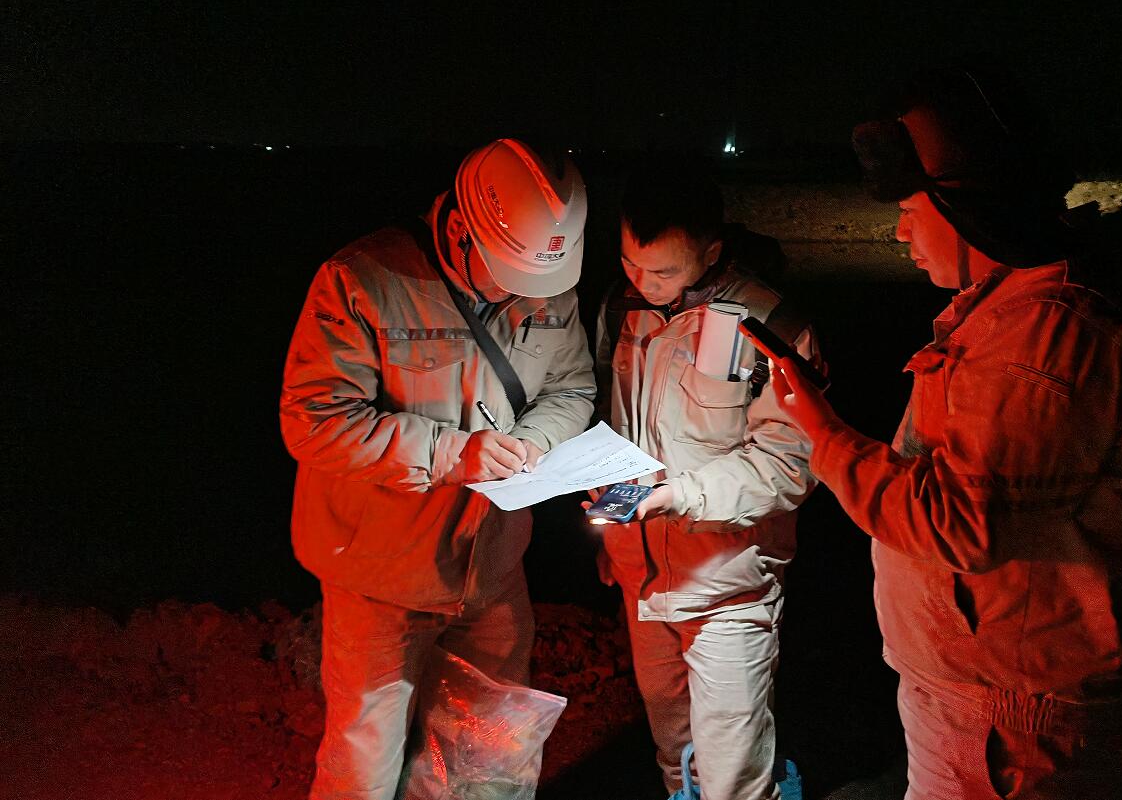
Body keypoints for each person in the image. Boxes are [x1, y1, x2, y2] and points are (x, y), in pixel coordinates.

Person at [754, 67, 1122, 799]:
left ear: (968, 205)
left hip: (1010, 721)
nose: (900, 230)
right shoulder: (1007, 309)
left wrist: (823, 431)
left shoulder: (1044, 338)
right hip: (980, 697)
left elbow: (960, 522)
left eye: (910, 208)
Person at [280, 139, 596, 800]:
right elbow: (314, 421)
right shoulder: (362, 281)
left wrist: (531, 443)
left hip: (492, 568)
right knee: (364, 766)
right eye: (507, 274)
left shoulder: (548, 282)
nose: (524, 293)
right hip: (381, 577)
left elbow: (571, 388)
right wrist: (454, 454)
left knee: (489, 760)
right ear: (459, 232)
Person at [595, 167, 820, 800]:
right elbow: (612, 422)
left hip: (729, 585)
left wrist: (680, 496)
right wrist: (610, 529)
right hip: (643, 581)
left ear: (712, 251)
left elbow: (791, 462)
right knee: (675, 753)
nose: (644, 283)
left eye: (663, 271)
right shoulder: (621, 309)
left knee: (730, 777)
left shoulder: (771, 324)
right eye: (631, 263)